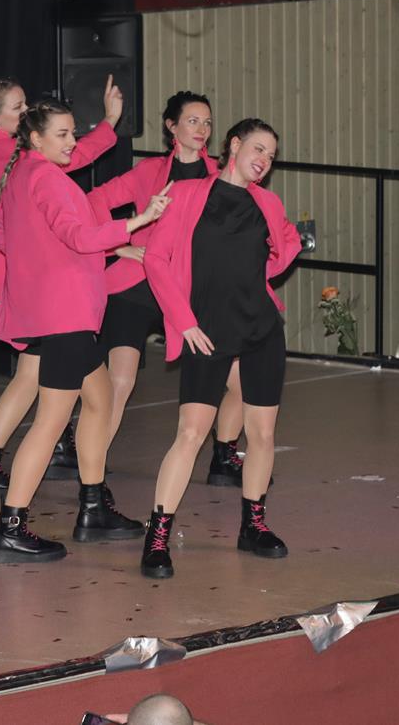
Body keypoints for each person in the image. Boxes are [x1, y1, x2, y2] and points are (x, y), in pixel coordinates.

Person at [0, 98, 168, 564]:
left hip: (47, 310)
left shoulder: (21, 174)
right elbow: (78, 237)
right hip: (63, 314)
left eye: (73, 133)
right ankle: (11, 528)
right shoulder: (46, 178)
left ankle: (93, 507)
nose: (73, 142)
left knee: (100, 399)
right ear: (36, 138)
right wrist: (138, 221)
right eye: (64, 134)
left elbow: (14, 239)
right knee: (51, 420)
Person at [140, 119, 301, 579]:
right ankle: (157, 538)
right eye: (258, 148)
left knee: (262, 434)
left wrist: (264, 273)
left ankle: (253, 526)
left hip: (261, 329)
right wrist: (184, 320)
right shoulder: (188, 194)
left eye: (271, 155)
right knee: (191, 434)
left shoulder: (268, 202)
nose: (264, 159)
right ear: (234, 145)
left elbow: (287, 243)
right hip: (206, 331)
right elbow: (156, 259)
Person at [0, 78, 124, 498]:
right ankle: (16, 513)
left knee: (52, 385)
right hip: (52, 297)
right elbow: (75, 172)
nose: (25, 111)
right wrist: (108, 123)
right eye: (18, 108)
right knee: (51, 411)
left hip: (23, 290)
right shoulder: (27, 165)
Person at [86, 91, 245, 486]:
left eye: (207, 122)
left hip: (188, 289)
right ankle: (91, 474)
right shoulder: (149, 171)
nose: (202, 129)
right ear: (172, 127)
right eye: (193, 120)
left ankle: (224, 456)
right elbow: (92, 201)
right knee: (120, 381)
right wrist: (118, 246)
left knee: (242, 379)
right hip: (137, 286)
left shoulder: (220, 177)